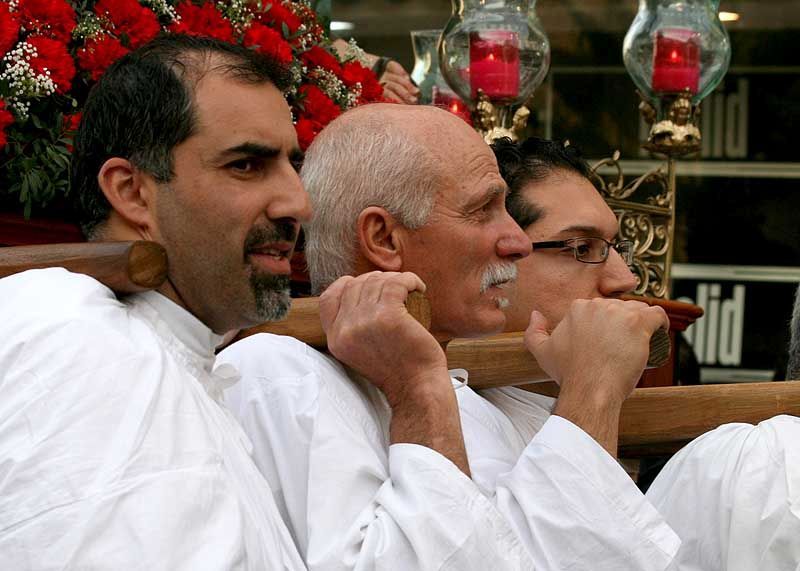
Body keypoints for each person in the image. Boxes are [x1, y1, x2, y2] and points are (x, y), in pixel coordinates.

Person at [219, 104, 680, 570]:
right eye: (483, 211)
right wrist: (590, 394)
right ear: (384, 240)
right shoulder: (279, 373)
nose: (517, 243)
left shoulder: (479, 400)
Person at [0, 35, 311, 569]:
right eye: (246, 165)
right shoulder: (83, 340)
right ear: (131, 192)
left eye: (291, 164)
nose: (297, 203)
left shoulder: (157, 351)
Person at [491, 136, 800, 571]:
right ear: (493, 259)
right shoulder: (452, 420)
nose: (624, 280)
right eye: (581, 248)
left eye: (616, 249)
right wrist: (593, 389)